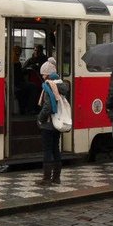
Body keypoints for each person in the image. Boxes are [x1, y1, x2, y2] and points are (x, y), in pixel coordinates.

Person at [36, 57, 69, 185]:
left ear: (48, 74)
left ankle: (46, 178)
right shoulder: (60, 85)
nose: (42, 76)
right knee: (56, 149)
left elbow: (48, 106)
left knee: (47, 150)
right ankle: (56, 177)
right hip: (57, 123)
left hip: (49, 123)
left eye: (43, 74)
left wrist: (40, 118)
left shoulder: (49, 85)